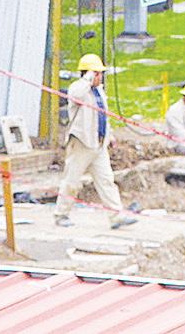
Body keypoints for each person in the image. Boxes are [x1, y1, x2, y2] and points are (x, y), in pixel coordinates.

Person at [54, 53, 138, 230]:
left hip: (98, 144)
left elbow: (103, 116)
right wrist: (88, 78)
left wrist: (110, 136)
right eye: (98, 73)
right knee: (72, 181)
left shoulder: (99, 91)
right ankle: (61, 214)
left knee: (106, 181)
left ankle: (116, 216)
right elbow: (76, 95)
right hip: (81, 143)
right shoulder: (78, 88)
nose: (100, 77)